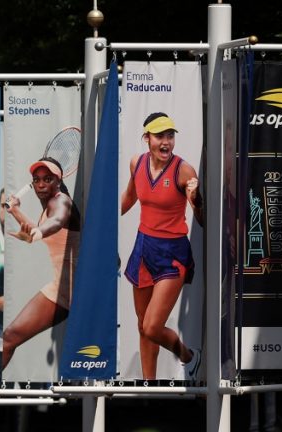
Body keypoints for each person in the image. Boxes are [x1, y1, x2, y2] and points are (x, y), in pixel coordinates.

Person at [120, 112, 204, 381]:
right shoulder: (137, 163)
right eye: (159, 136)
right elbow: (130, 197)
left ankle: (189, 356)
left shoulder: (184, 171)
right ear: (147, 138)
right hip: (143, 247)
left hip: (173, 252)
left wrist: (196, 199)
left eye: (170, 135)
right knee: (142, 325)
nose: (166, 141)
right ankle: (150, 385)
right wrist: (103, 221)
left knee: (152, 327)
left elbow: (202, 220)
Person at [1, 157, 81, 370]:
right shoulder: (48, 208)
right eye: (36, 180)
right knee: (9, 337)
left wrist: (35, 234)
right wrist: (15, 211)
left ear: (58, 180)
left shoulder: (61, 202)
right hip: (62, 290)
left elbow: (57, 222)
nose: (41, 184)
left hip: (83, 291)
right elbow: (40, 229)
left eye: (47, 179)